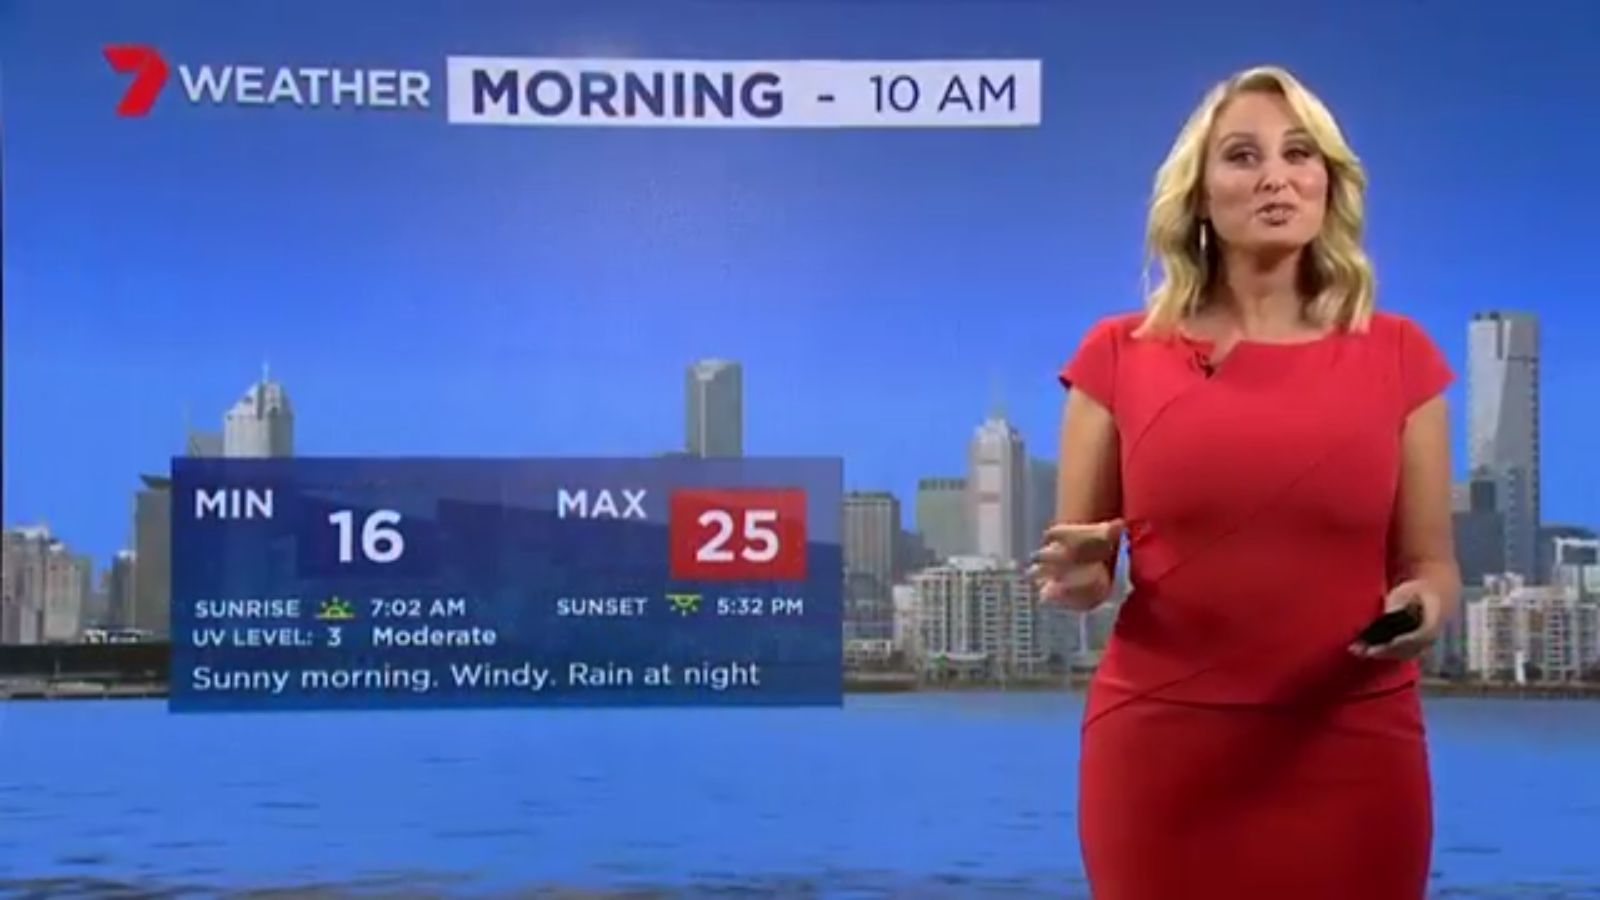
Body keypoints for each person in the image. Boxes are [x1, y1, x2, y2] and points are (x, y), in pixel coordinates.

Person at [1031, 64, 1458, 900]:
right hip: (1163, 753)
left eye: (1299, 154)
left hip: (1354, 743)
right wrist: (1076, 576)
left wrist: (1422, 610)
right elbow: (1084, 571)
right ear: (1198, 195)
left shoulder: (1402, 355)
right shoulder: (1116, 355)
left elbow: (1432, 564)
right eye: (1242, 155)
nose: (1275, 177)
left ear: (1328, 184)